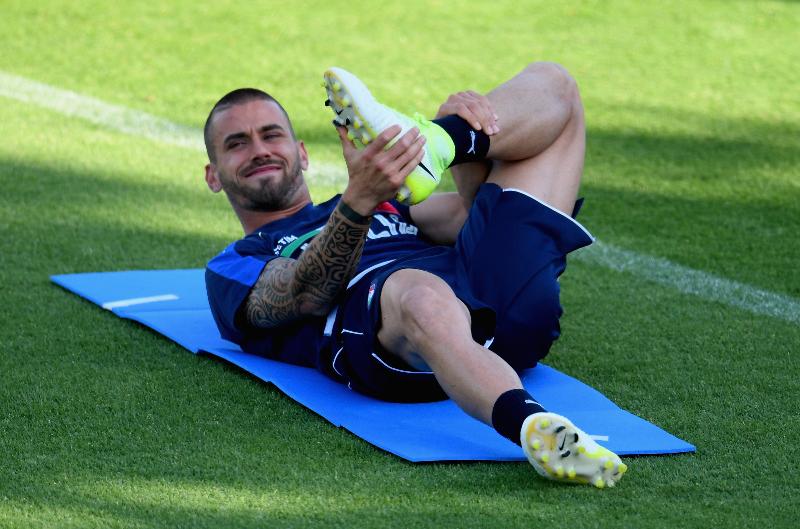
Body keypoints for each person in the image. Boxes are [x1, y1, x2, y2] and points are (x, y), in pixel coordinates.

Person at [203, 63, 627, 488]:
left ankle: (442, 141)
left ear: (303, 153)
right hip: (402, 346)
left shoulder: (390, 202)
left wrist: (467, 143)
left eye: (271, 135)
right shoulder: (235, 262)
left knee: (555, 85)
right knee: (418, 290)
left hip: (500, 316)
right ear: (213, 175)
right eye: (237, 144)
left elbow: (475, 215)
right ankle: (535, 426)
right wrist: (359, 200)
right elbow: (308, 294)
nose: (259, 150)